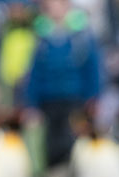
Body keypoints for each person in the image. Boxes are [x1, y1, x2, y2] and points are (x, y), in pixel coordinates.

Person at [26, 0, 102, 166]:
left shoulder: (81, 34)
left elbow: (92, 68)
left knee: (75, 144)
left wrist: (93, 96)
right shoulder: (42, 36)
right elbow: (35, 72)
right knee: (52, 145)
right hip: (49, 100)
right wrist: (31, 103)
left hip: (74, 98)